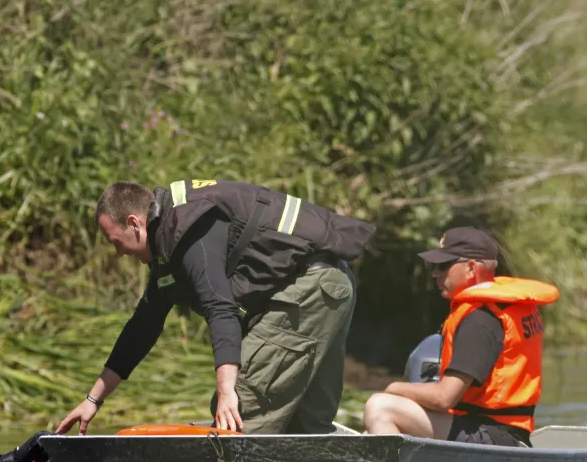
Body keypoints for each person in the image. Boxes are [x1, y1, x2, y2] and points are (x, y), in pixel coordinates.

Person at [55, 179, 375, 435]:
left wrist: (227, 391)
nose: (119, 254)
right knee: (305, 427)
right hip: (328, 285)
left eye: (116, 242)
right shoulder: (168, 243)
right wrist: (92, 400)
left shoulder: (188, 231)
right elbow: (143, 327)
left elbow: (221, 310)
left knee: (239, 417)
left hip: (310, 289)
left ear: (134, 223)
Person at [362, 228, 559, 446]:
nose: (436, 273)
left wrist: (395, 388)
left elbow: (445, 398)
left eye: (443, 266)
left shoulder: (480, 320)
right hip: (503, 432)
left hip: (493, 437)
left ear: (471, 268)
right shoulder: (504, 308)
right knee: (371, 430)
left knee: (381, 406)